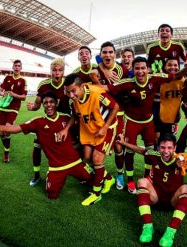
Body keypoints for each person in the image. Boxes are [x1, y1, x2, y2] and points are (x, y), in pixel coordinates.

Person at [102, 56, 187, 194]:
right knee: (129, 151)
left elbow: (175, 75)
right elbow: (105, 88)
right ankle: (130, 179)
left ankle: (147, 177)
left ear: (147, 69)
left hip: (148, 122)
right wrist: (85, 87)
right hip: (131, 121)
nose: (140, 71)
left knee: (151, 150)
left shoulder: (155, 78)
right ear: (133, 69)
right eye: (137, 68)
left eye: (143, 68)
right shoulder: (127, 82)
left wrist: (186, 68)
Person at [0, 91, 93, 199]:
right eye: (45, 103)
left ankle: (88, 174)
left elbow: (83, 127)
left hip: (75, 163)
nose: (49, 105)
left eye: (51, 102)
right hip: (56, 168)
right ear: (43, 105)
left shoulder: (67, 119)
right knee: (51, 195)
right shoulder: (38, 122)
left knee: (95, 180)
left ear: (56, 103)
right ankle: (53, 177)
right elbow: (17, 129)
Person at [117, 133, 187, 247]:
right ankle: (148, 227)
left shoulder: (180, 159)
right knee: (142, 181)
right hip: (155, 198)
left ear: (174, 148)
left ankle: (170, 232)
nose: (166, 151)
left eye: (169, 148)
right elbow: (140, 150)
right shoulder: (154, 155)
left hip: (173, 201)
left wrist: (184, 166)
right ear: (158, 147)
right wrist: (123, 143)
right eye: (163, 147)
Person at [62, 73, 119, 206]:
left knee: (97, 159)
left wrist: (105, 127)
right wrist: (65, 129)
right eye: (68, 92)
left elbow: (115, 107)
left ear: (82, 86)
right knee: (87, 158)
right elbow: (75, 116)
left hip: (107, 128)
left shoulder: (97, 93)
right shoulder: (74, 101)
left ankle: (96, 194)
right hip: (89, 130)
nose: (71, 95)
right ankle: (109, 179)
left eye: (73, 91)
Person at [26, 58, 69, 187]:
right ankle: (37, 175)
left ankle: (81, 173)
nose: (57, 73)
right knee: (37, 144)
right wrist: (32, 107)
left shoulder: (68, 84)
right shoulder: (43, 85)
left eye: (60, 70)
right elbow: (37, 105)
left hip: (66, 121)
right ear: (50, 71)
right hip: (50, 121)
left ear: (63, 72)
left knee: (77, 147)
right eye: (54, 70)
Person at [96, 41, 130, 190]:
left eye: (111, 52)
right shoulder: (98, 67)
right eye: (105, 52)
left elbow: (124, 88)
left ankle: (120, 175)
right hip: (102, 113)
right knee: (95, 143)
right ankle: (98, 173)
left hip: (119, 112)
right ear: (101, 54)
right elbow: (98, 63)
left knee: (118, 145)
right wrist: (103, 70)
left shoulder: (122, 69)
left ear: (115, 55)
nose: (108, 55)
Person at [0, 59, 27, 163]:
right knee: (1, 133)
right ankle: (6, 148)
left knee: (7, 129)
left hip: (14, 108)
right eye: (15, 66)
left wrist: (14, 95)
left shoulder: (23, 81)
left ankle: (6, 154)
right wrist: (2, 93)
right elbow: (0, 90)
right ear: (13, 67)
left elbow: (24, 97)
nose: (17, 67)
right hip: (3, 107)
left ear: (21, 68)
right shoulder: (7, 78)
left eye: (19, 66)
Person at [155, 57, 185, 139]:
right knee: (158, 141)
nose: (173, 67)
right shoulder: (159, 80)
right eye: (170, 65)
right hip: (158, 117)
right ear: (164, 67)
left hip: (173, 119)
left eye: (176, 65)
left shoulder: (183, 81)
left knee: (170, 142)